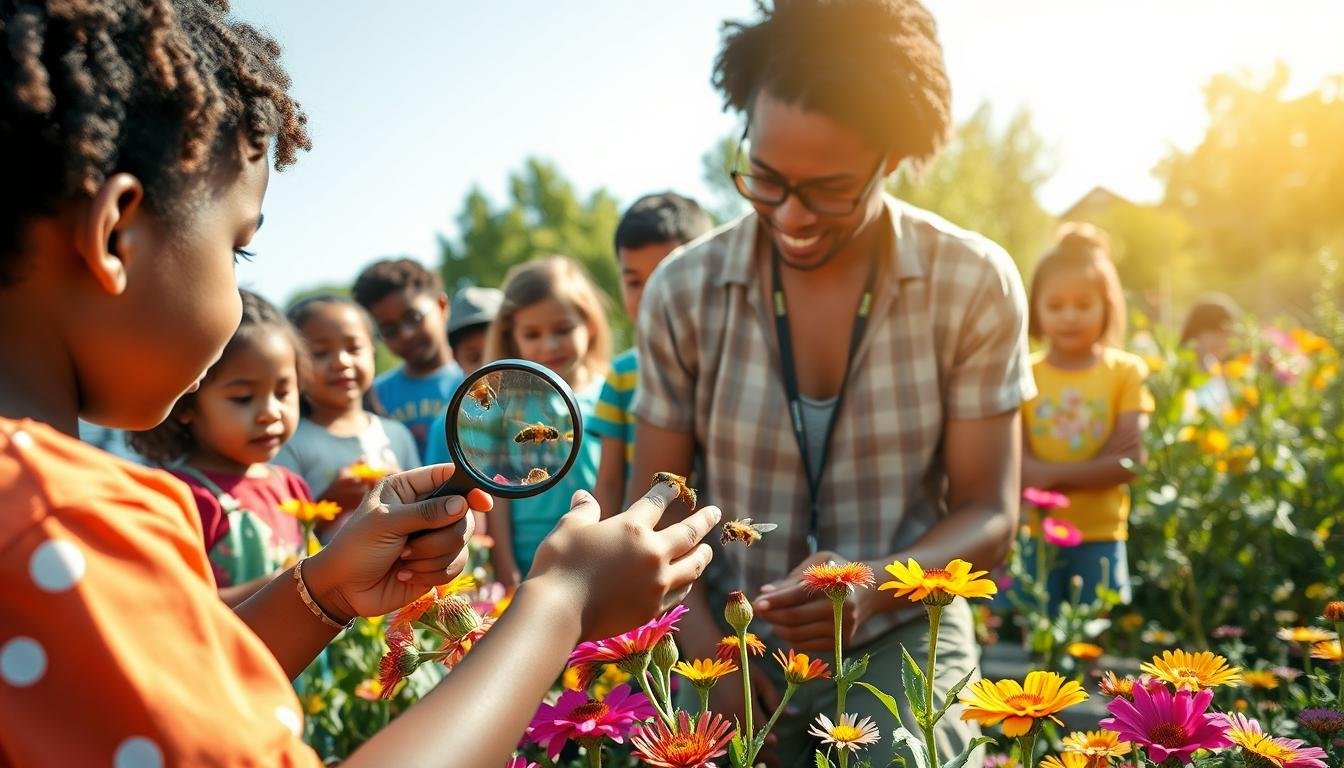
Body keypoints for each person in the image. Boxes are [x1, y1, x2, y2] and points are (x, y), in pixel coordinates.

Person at [0, 3, 715, 765]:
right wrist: (559, 604)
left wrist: (324, 591)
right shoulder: (57, 518)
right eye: (237, 249)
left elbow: (139, 693)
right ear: (116, 237)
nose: (239, 292)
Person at [630, 2, 1034, 764]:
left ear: (894, 155)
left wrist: (876, 585)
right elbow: (655, 510)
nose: (791, 216)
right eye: (767, 179)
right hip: (723, 635)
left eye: (830, 190)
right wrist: (716, 660)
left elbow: (989, 511)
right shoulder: (682, 291)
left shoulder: (973, 282)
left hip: (903, 631)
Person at [128, 290, 309, 605]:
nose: (271, 412)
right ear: (187, 402)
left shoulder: (291, 486)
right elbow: (181, 605)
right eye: (243, 398)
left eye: (282, 392)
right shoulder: (180, 496)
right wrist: (294, 584)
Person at [1020, 225, 1153, 609]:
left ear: (1107, 306)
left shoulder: (1125, 372)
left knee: (1091, 640)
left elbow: (1130, 463)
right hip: (1038, 535)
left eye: (1083, 304)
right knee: (1040, 641)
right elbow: (1017, 467)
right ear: (1036, 310)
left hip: (1100, 534)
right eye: (1056, 305)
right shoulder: (1025, 373)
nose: (1070, 316)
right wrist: (1095, 468)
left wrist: (1048, 477)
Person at [474, 256, 611, 588]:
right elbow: (499, 494)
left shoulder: (609, 393)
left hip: (595, 554)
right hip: (527, 560)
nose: (549, 345)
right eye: (532, 334)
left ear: (589, 324)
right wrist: (506, 572)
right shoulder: (504, 403)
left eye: (563, 330)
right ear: (512, 335)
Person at [590, 192, 712, 516]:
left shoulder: (725, 367)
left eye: (665, 278)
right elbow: (610, 482)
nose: (651, 296)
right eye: (634, 282)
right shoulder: (621, 374)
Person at [277, 294, 419, 537]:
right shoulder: (289, 443)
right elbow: (282, 539)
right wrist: (332, 502)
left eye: (354, 348)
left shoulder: (397, 434)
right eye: (321, 353)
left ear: (373, 353)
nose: (342, 362)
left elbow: (422, 510)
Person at [351, 258, 464, 456]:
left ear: (441, 305)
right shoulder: (374, 396)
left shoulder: (478, 380)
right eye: (389, 330)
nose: (406, 334)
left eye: (413, 317)